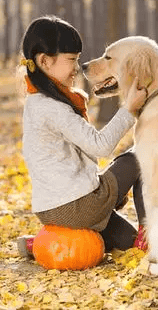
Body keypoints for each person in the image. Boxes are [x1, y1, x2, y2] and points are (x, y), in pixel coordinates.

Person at [17, 16, 148, 258]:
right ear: (45, 61)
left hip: (52, 209)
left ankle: (40, 245)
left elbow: (72, 158)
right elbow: (101, 146)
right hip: (79, 206)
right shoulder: (53, 108)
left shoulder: (36, 102)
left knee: (126, 243)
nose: (77, 67)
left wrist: (109, 188)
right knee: (139, 157)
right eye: (71, 60)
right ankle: (148, 229)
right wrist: (130, 108)